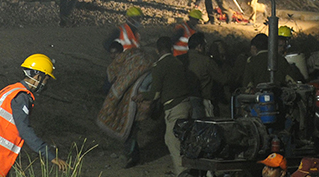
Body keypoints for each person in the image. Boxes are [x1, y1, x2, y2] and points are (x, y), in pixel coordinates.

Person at [0, 54, 66, 176]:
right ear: (38, 77)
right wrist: (49, 155)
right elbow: (24, 130)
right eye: (46, 79)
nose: (45, 84)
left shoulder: (9, 90)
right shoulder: (21, 97)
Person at [141, 36, 195, 175]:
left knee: (173, 141)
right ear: (172, 48)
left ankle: (183, 173)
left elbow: (155, 94)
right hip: (186, 104)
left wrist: (141, 96)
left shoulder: (159, 66)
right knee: (182, 140)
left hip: (174, 108)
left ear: (157, 50)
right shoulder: (178, 63)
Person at [97, 40, 152, 168]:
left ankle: (133, 156)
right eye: (111, 54)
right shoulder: (117, 65)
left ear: (121, 52)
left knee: (130, 130)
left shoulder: (128, 60)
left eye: (115, 53)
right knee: (131, 130)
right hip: (130, 100)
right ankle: (132, 155)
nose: (113, 56)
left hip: (135, 100)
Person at [186, 32, 228, 118]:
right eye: (205, 45)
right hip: (202, 101)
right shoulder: (206, 61)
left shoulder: (181, 59)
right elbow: (223, 79)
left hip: (183, 103)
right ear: (199, 46)